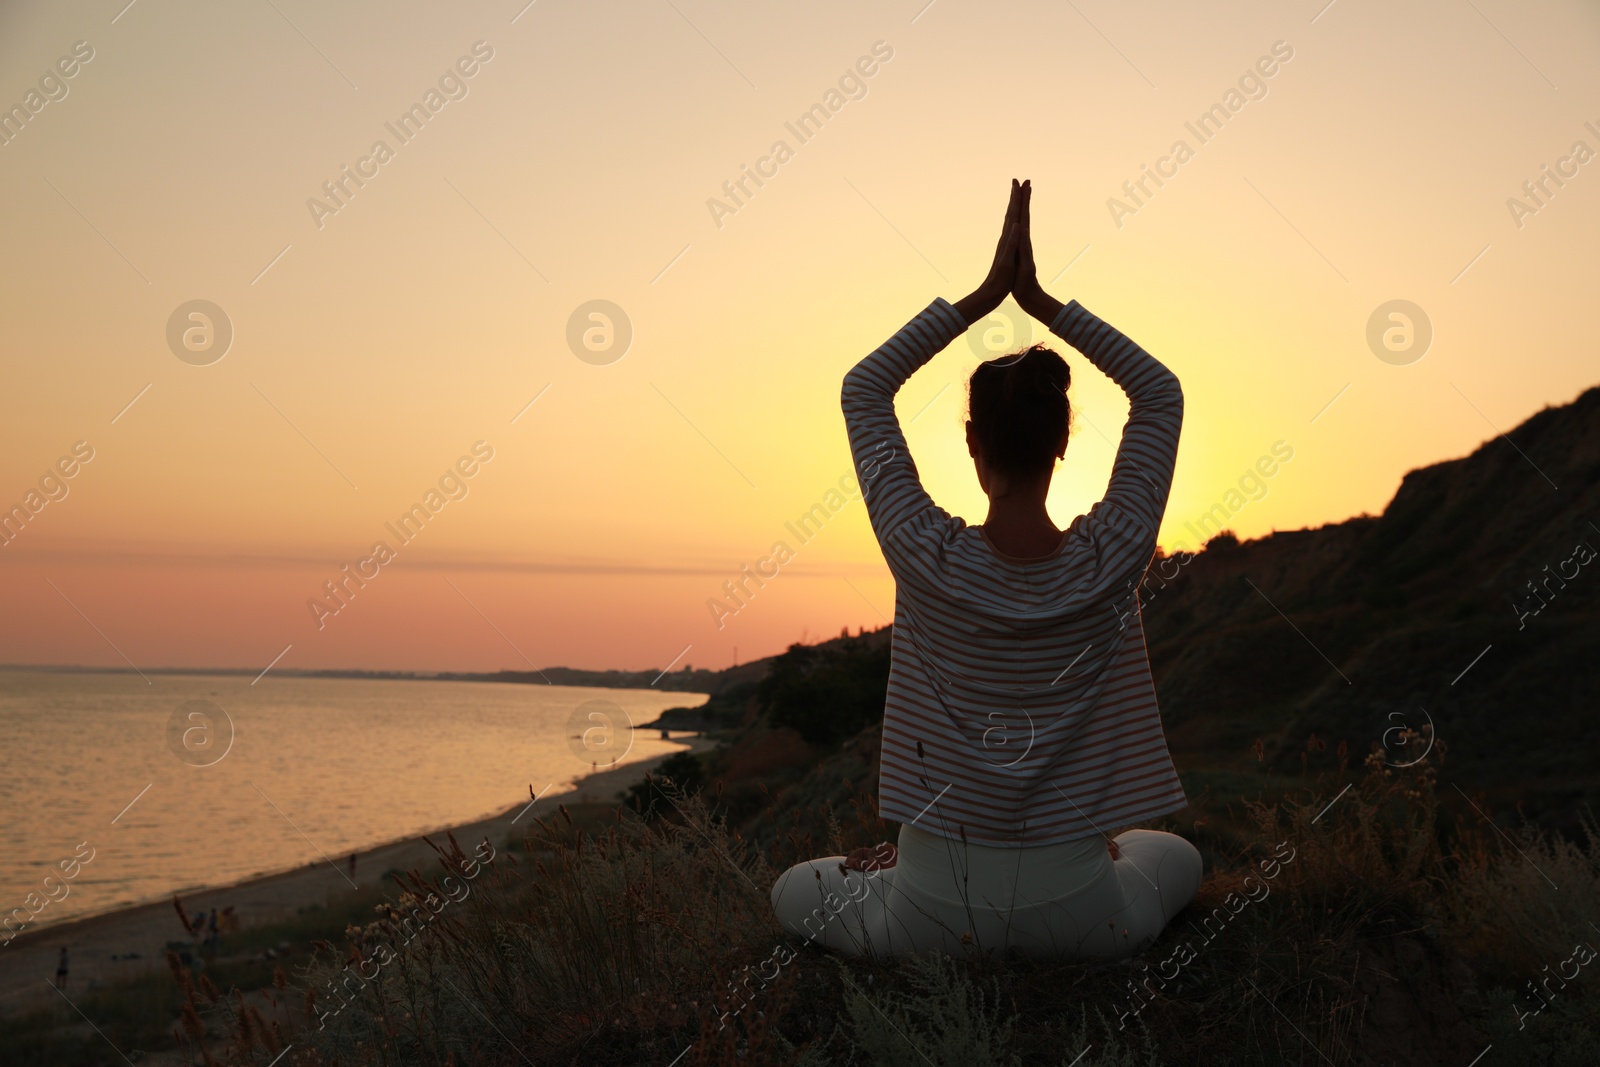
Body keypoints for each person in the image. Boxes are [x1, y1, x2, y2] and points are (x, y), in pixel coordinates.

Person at [770, 179, 1203, 960]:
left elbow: (864, 388)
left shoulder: (925, 557)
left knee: (793, 888)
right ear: (1063, 444)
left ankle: (895, 867)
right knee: (1173, 854)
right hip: (1083, 919)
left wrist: (978, 299)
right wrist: (1043, 303)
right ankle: (1085, 858)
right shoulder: (1113, 559)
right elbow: (1160, 394)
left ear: (973, 445)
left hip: (933, 915)